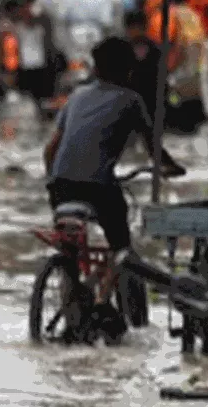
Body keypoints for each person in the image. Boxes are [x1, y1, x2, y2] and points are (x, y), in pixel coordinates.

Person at [43, 37, 186, 295]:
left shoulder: (76, 96)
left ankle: (70, 297)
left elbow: (51, 149)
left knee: (70, 248)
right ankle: (101, 301)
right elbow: (153, 149)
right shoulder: (131, 100)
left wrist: (51, 181)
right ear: (128, 70)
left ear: (95, 68)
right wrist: (171, 168)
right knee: (121, 248)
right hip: (98, 188)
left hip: (60, 186)